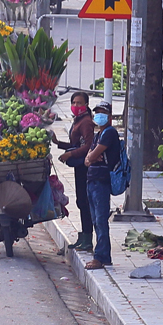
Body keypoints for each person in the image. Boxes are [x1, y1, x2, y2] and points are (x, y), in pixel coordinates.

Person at [53, 92, 95, 252]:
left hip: (85, 167)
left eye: (80, 103)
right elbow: (75, 143)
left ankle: (87, 239)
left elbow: (88, 146)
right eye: (74, 103)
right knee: (81, 201)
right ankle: (83, 236)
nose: (76, 106)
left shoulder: (86, 122)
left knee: (84, 202)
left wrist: (70, 154)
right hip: (79, 167)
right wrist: (59, 143)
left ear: (86, 104)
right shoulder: (79, 120)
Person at [83, 102, 121, 269]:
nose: (99, 116)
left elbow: (91, 156)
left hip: (101, 181)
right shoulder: (99, 134)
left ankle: (101, 256)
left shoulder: (109, 133)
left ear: (110, 116)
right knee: (95, 219)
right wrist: (91, 157)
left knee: (100, 219)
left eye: (103, 113)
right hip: (92, 179)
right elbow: (87, 160)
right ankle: (101, 255)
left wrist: (92, 156)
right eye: (97, 113)